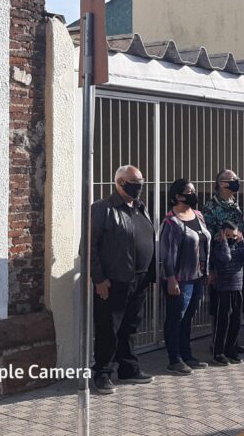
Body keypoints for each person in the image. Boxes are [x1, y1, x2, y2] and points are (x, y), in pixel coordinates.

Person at [89, 165, 155, 394]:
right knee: (109, 328)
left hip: (139, 278)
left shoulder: (140, 208)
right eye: (134, 181)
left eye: (141, 180)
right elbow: (89, 246)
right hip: (114, 280)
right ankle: (103, 373)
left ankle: (128, 368)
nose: (139, 185)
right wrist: (99, 278)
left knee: (130, 326)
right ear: (119, 182)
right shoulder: (102, 209)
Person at [159, 179, 211, 375]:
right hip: (181, 278)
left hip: (197, 275)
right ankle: (175, 358)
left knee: (188, 317)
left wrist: (207, 270)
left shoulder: (197, 215)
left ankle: (187, 354)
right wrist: (171, 278)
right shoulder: (171, 222)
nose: (193, 194)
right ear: (178, 196)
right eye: (189, 191)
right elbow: (167, 254)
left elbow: (205, 242)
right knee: (176, 317)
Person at [202, 168, 244, 355]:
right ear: (222, 183)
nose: (236, 181)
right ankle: (218, 344)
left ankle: (232, 342)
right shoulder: (211, 207)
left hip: (236, 262)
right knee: (220, 307)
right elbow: (208, 236)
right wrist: (211, 268)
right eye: (232, 179)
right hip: (220, 262)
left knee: (236, 306)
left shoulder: (234, 204)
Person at [210, 221, 244, 366]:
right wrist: (224, 242)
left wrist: (242, 243)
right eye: (228, 235)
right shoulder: (218, 247)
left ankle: (231, 348)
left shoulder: (238, 246)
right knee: (223, 322)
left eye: (234, 235)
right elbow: (225, 258)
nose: (231, 238)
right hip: (223, 290)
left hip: (237, 288)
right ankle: (219, 352)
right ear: (222, 234)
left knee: (236, 321)